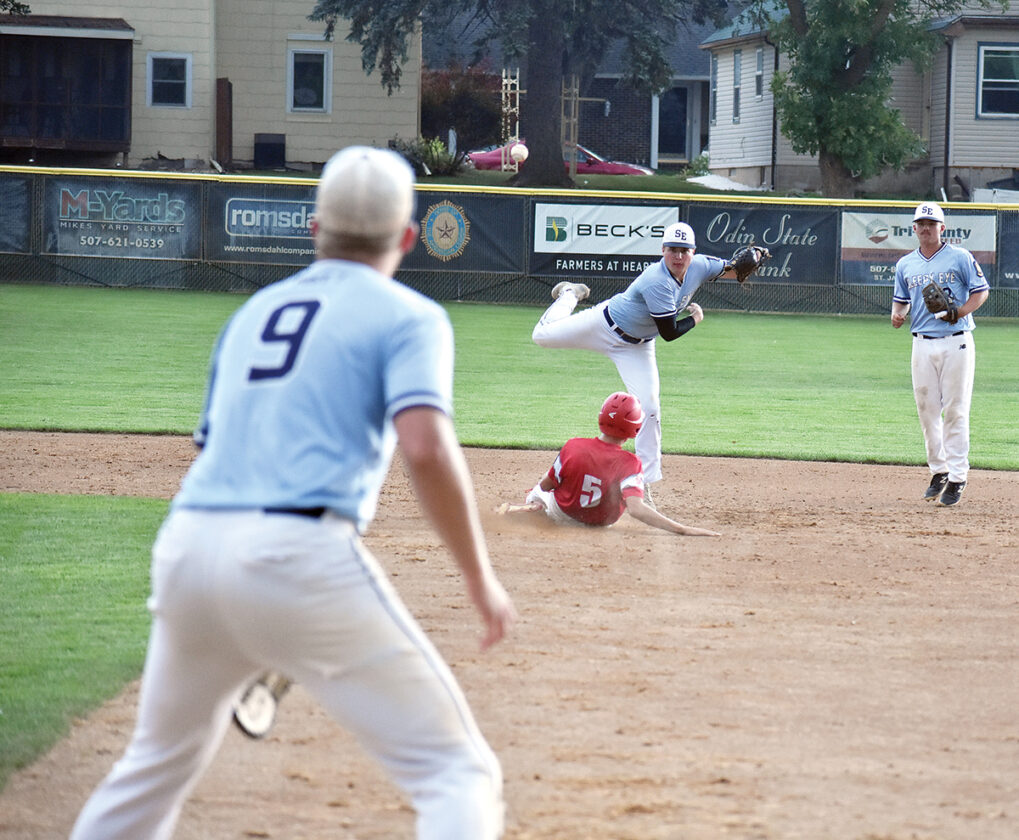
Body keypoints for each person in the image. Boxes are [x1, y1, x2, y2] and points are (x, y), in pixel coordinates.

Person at [70, 146, 517, 840]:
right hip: (296, 556)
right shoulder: (410, 315)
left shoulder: (252, 312)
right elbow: (424, 447)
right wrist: (477, 576)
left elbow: (221, 445)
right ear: (406, 238)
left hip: (188, 546)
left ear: (315, 228)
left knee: (152, 766)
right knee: (456, 773)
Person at [532, 221, 753, 509]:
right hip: (606, 325)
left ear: (693, 252)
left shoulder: (701, 265)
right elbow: (670, 332)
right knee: (541, 336)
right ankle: (570, 295)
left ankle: (644, 485)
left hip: (638, 347)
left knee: (649, 409)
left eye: (684, 250)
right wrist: (696, 319)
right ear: (663, 250)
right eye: (672, 249)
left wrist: (752, 260)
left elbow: (732, 268)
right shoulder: (657, 280)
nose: (678, 256)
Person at [498, 392, 720, 536]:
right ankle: (539, 507)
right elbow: (636, 509)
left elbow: (547, 484)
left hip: (562, 515)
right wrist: (681, 529)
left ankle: (534, 506)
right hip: (601, 526)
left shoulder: (573, 445)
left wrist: (539, 492)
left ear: (601, 417)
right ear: (635, 428)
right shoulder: (630, 463)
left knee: (540, 492)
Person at [891, 201, 989, 507]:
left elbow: (981, 291)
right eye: (921, 224)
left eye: (931, 224)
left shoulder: (960, 257)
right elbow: (901, 300)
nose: (925, 228)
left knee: (956, 410)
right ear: (914, 228)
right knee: (927, 410)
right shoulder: (906, 264)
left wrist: (959, 311)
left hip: (956, 341)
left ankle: (958, 477)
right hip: (921, 343)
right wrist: (897, 314)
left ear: (942, 228)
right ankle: (939, 470)